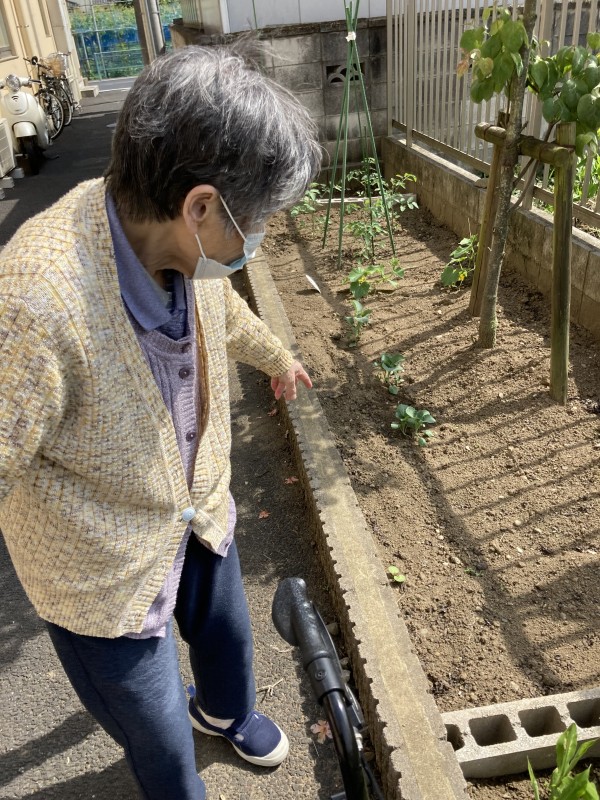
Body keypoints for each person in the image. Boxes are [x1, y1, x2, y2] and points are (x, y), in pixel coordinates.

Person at [0, 43, 321, 799]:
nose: (261, 235)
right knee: (159, 738)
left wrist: (277, 356)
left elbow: (224, 316)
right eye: (259, 219)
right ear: (200, 207)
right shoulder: (34, 301)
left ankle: (227, 711)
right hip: (99, 571)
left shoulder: (182, 249)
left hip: (197, 509)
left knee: (228, 636)